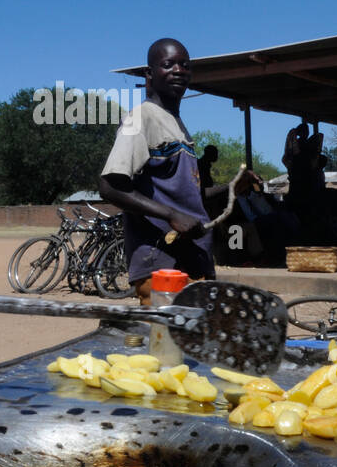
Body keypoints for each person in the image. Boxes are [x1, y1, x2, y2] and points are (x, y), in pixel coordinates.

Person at [99, 39, 257, 304]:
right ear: (149, 74)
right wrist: (172, 216)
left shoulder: (177, 125)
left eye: (185, 65)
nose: (178, 70)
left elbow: (187, 198)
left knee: (195, 342)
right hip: (162, 264)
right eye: (168, 64)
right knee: (169, 344)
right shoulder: (141, 118)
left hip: (193, 259)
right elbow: (110, 186)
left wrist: (230, 189)